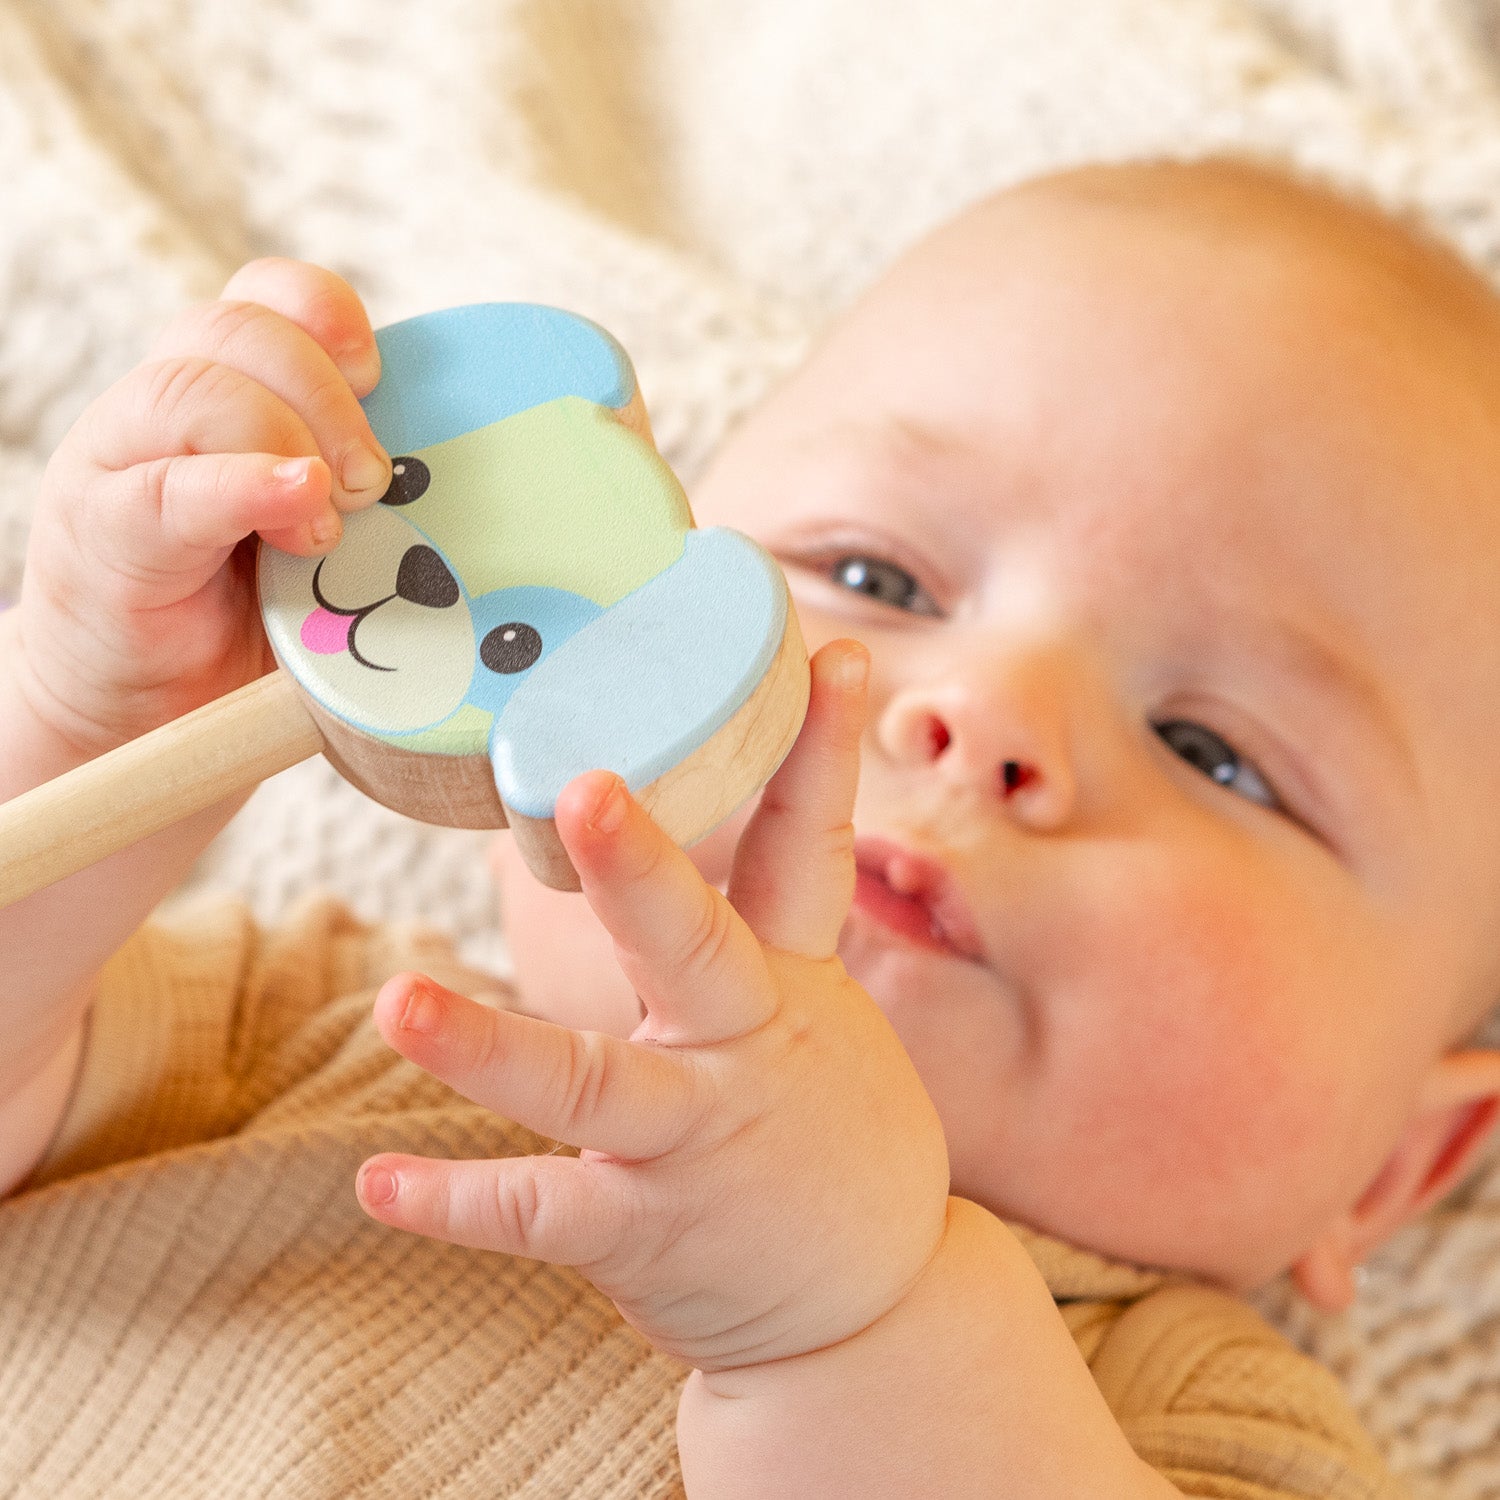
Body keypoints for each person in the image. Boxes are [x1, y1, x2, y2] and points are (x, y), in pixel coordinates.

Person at [3, 157, 1496, 1497]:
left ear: (1402, 1166)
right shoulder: (324, 1032)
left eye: (1215, 753)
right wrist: (95, 721)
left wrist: (851, 1328)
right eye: (879, 577)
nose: (974, 719)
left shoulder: (1206, 1434)